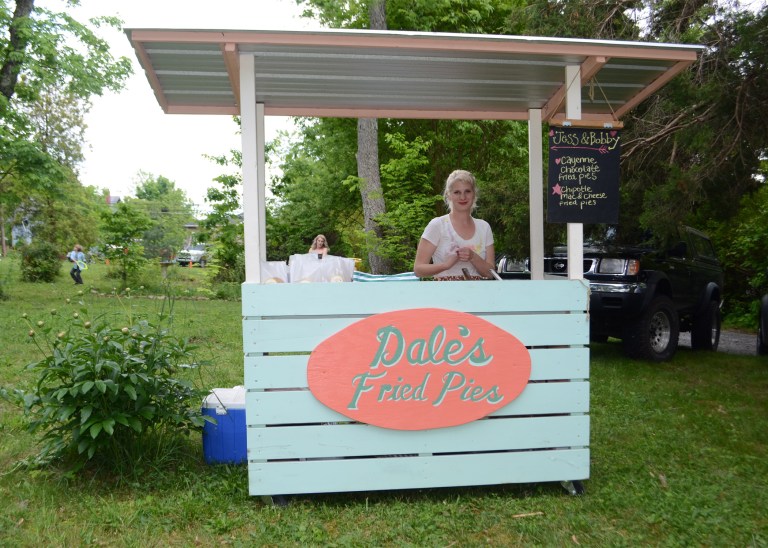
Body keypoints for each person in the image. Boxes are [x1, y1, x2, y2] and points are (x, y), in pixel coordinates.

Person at [414, 170, 495, 280]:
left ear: (474, 194)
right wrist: (446, 265)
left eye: (467, 191)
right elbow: (418, 269)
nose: (463, 197)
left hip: (477, 290)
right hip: (445, 290)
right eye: (457, 192)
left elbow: (491, 273)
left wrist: (473, 257)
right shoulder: (437, 225)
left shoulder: (484, 227)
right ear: (449, 195)